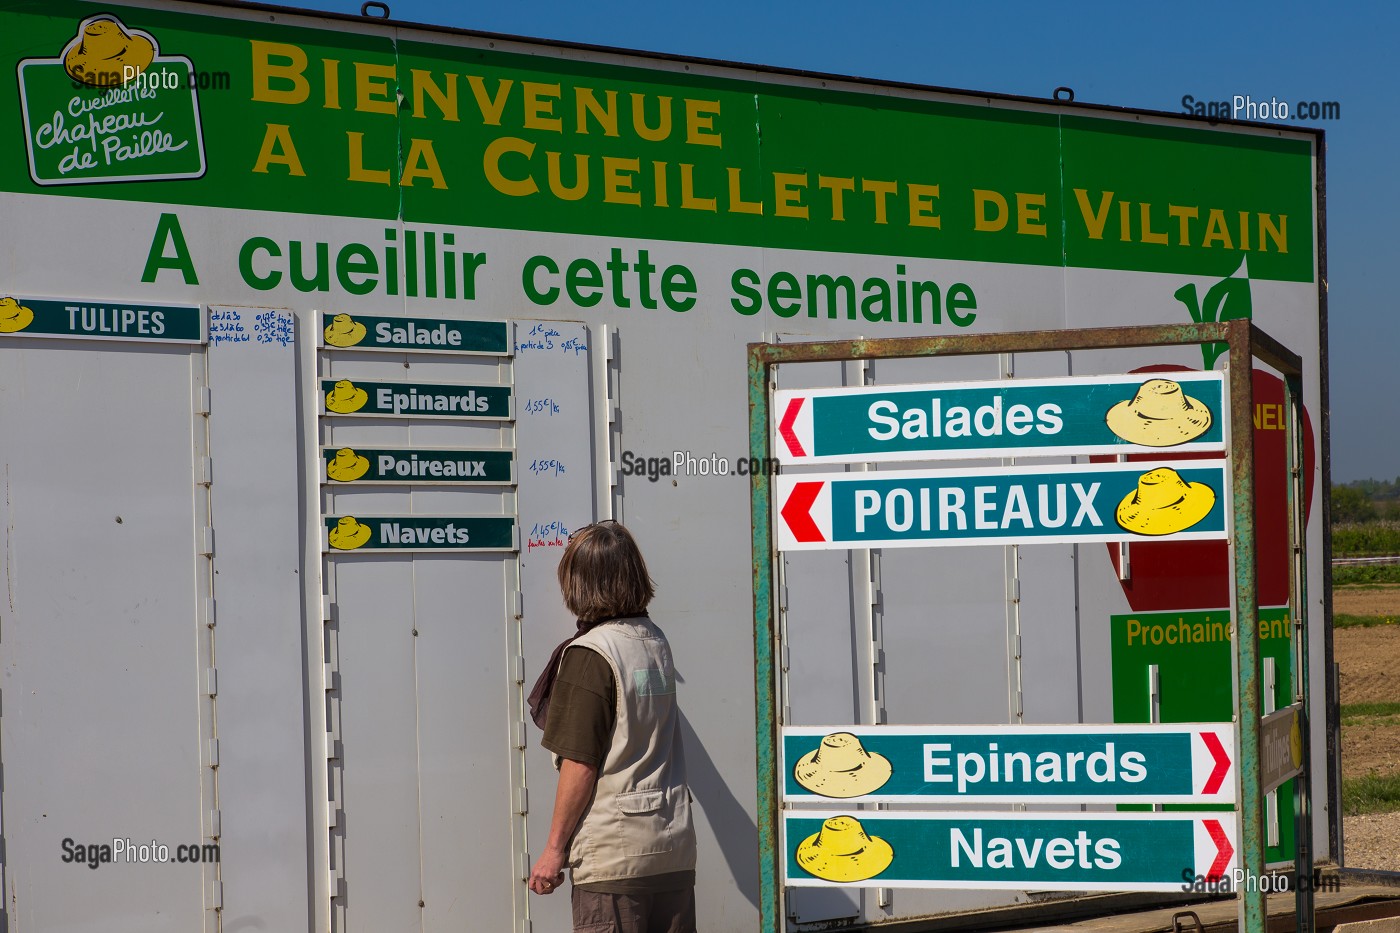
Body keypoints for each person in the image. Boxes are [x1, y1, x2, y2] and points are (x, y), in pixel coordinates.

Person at [527, 520, 697, 933]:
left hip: (614, 859)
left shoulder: (591, 655)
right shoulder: (654, 641)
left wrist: (554, 850)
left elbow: (580, 764)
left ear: (579, 582)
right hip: (671, 849)